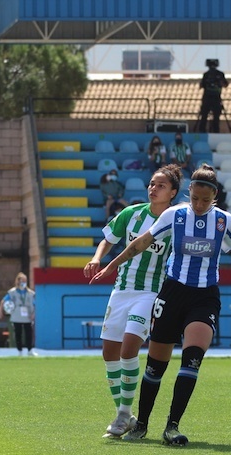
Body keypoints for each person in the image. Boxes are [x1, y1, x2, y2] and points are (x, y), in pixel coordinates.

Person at [90, 164, 231, 446]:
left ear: (215, 197)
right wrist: (112, 265)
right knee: (155, 366)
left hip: (204, 296)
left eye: (205, 200)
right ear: (189, 193)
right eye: (195, 198)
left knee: (192, 357)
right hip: (172, 292)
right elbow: (141, 243)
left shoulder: (224, 222)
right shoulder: (174, 214)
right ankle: (142, 423)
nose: (199, 204)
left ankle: (172, 426)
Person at [83, 165, 181, 438]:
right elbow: (108, 239)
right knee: (109, 353)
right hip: (121, 290)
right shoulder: (132, 213)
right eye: (151, 183)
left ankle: (124, 415)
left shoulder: (175, 222)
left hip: (150, 293)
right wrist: (96, 258)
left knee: (128, 350)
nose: (153, 188)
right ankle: (124, 414)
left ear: (173, 192)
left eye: (160, 185)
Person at [0, 272, 36, 356]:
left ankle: (30, 350)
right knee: (18, 333)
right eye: (22, 281)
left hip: (28, 315)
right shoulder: (12, 292)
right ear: (18, 281)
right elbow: (3, 301)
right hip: (16, 315)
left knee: (28, 333)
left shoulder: (30, 293)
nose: (23, 283)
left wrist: (34, 314)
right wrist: (0, 310)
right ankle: (19, 350)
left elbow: (35, 304)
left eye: (25, 281)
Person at [197, 59, 228, 133]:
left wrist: (218, 81)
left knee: (210, 116)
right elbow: (202, 85)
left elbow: (225, 84)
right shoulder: (208, 75)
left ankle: (208, 131)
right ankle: (211, 131)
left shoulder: (215, 74)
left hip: (212, 98)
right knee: (207, 116)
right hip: (211, 98)